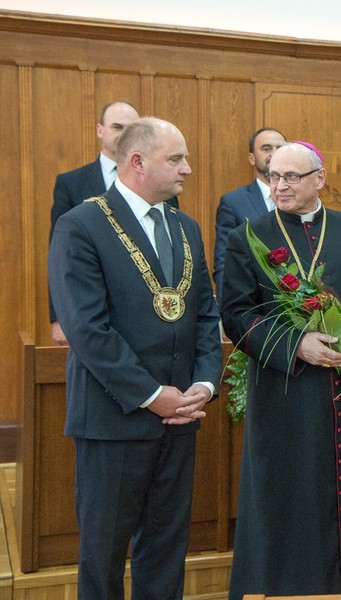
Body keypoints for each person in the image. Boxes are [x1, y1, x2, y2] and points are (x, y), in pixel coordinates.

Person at [47, 117, 222, 600]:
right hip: (114, 418)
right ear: (138, 162)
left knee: (166, 548)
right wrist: (150, 395)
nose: (188, 169)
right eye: (176, 159)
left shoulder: (184, 226)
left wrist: (203, 385)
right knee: (103, 555)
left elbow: (205, 314)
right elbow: (87, 328)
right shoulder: (80, 225)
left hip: (181, 414)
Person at [220, 142, 341, 597]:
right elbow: (236, 316)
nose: (280, 185)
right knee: (285, 500)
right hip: (283, 399)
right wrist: (296, 345)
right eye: (274, 176)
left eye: (292, 177)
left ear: (319, 179)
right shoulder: (249, 235)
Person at [49, 101, 179, 345]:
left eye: (132, 128)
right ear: (101, 130)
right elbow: (59, 255)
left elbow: (166, 245)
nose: (125, 134)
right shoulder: (72, 183)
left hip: (146, 316)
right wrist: (59, 317)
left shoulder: (161, 186)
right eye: (118, 127)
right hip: (91, 306)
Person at [212, 127, 287, 294]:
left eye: (280, 148)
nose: (274, 154)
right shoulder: (233, 203)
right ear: (251, 158)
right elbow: (224, 263)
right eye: (266, 148)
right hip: (251, 301)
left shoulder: (298, 200)